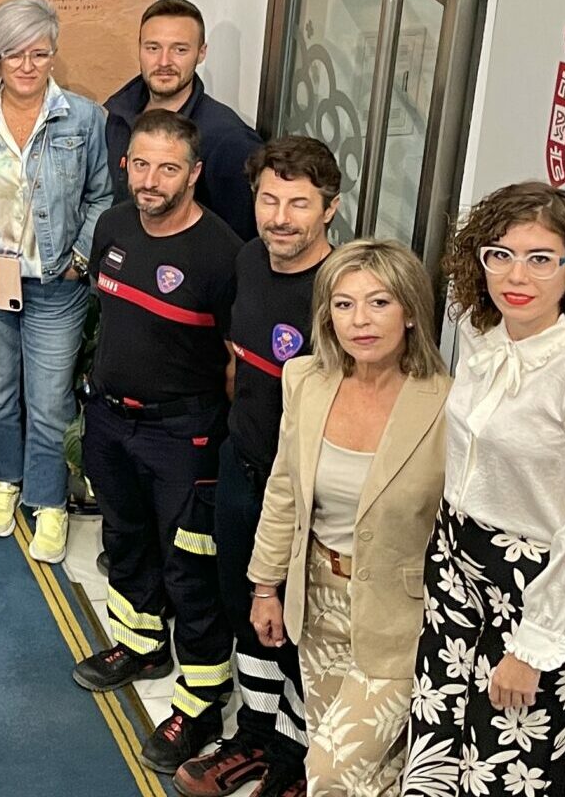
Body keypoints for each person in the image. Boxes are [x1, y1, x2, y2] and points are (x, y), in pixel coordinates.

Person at [401, 182, 565, 797]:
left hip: (535, 588)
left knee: (506, 778)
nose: (516, 275)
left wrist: (534, 643)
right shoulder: (486, 341)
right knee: (432, 762)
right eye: (499, 254)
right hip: (456, 569)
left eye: (540, 259)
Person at [69, 110, 244, 773]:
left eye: (167, 168)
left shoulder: (223, 256)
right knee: (124, 539)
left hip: (185, 432)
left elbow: (235, 362)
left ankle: (197, 705)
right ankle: (140, 644)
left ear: (194, 174)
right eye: (140, 164)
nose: (150, 179)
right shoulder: (113, 226)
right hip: (112, 421)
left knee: (190, 569)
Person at [247, 238, 449, 797]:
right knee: (369, 777)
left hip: (398, 619)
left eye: (379, 303)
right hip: (317, 605)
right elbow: (284, 488)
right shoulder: (307, 381)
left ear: (410, 311)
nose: (360, 320)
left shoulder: (448, 403)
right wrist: (266, 585)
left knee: (331, 772)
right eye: (343, 304)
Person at [174, 136, 341, 797]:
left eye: (298, 204)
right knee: (249, 611)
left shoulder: (346, 289)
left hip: (313, 498)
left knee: (305, 628)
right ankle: (256, 734)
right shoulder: (248, 259)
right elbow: (239, 363)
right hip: (245, 471)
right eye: (269, 199)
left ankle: (298, 754)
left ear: (330, 208)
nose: (280, 217)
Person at [0, 0, 110, 560]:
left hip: (55, 287)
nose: (27, 65)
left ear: (53, 56)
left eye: (39, 53)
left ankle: (48, 501)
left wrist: (79, 257)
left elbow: (102, 196)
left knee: (49, 402)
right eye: (14, 54)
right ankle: (4, 480)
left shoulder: (84, 119)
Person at [102, 0, 263, 238]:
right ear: (139, 49)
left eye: (180, 49)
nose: (164, 62)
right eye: (153, 48)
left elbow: (239, 241)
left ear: (201, 53)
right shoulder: (119, 117)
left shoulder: (228, 139)